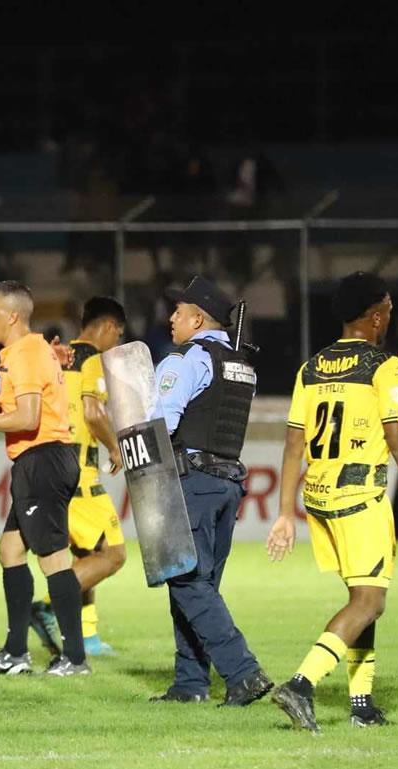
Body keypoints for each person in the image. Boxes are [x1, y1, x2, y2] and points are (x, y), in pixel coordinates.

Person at [267, 271, 398, 732]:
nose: (391, 315)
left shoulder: (310, 369)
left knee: (362, 598)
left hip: (320, 497)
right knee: (370, 601)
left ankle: (361, 702)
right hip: (359, 495)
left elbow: (293, 447)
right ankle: (301, 684)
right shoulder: (384, 366)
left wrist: (285, 513)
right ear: (374, 316)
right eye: (388, 308)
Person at [140, 276, 272, 706]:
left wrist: (133, 457)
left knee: (186, 581)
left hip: (191, 481)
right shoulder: (239, 362)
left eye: (178, 312)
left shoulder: (185, 360)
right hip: (227, 483)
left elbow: (162, 424)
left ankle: (243, 672)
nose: (171, 319)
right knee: (201, 585)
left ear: (197, 318)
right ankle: (190, 683)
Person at [0, 281, 89, 676]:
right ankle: (16, 651)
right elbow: (4, 403)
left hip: (42, 460)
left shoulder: (27, 353)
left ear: (11, 316)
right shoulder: (24, 351)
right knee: (10, 552)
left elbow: (27, 417)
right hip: (43, 460)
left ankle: (75, 658)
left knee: (53, 559)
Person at [30, 297, 127, 658]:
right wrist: (115, 447)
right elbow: (93, 411)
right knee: (112, 555)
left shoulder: (59, 358)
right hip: (81, 474)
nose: (116, 341)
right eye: (117, 333)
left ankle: (86, 635)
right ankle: (47, 604)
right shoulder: (92, 360)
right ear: (105, 328)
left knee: (86, 553)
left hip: (52, 467)